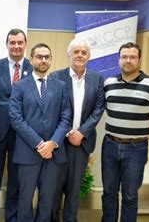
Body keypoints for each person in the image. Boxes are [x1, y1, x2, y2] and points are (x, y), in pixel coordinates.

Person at [101, 42, 149, 222]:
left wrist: (145, 131)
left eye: (132, 57)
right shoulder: (108, 83)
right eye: (124, 57)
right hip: (110, 145)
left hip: (136, 149)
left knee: (130, 195)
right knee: (108, 193)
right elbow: (107, 108)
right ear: (119, 60)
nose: (128, 60)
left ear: (139, 60)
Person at [9, 43, 71, 222]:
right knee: (25, 199)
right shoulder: (19, 86)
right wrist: (39, 144)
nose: (43, 60)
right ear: (31, 59)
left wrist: (53, 143)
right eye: (39, 56)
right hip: (27, 151)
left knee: (48, 199)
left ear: (51, 60)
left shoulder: (60, 86)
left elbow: (66, 117)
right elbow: (16, 119)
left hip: (54, 152)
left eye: (47, 57)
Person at [50, 38, 105, 222]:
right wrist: (66, 133)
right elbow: (52, 109)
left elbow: (98, 109)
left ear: (89, 56)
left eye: (84, 52)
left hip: (81, 142)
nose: (80, 55)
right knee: (55, 188)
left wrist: (81, 132)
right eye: (76, 52)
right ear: (69, 55)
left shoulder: (97, 79)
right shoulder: (56, 77)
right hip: (59, 142)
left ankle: (70, 219)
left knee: (74, 189)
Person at [0, 28, 33, 222]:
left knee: (16, 181)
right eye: (12, 43)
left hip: (22, 135)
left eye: (20, 42)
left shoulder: (32, 66)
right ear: (7, 45)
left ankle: (12, 218)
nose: (16, 46)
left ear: (25, 44)